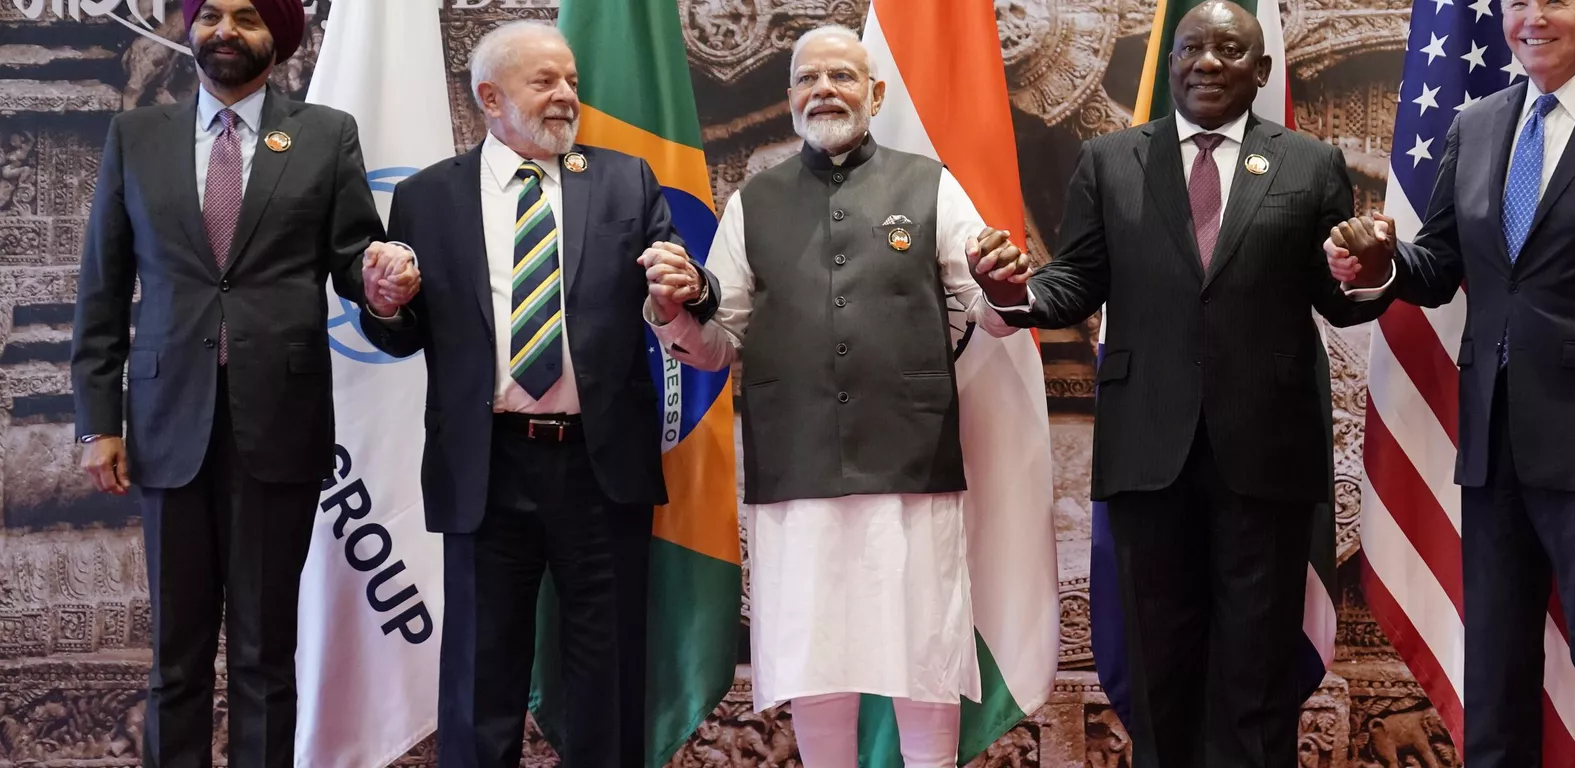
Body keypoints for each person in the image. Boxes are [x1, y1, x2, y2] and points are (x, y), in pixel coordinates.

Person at [968, 3, 1391, 766]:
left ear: (1261, 72)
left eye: (1229, 49)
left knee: (1257, 670)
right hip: (1147, 452)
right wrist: (1010, 291)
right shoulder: (1110, 160)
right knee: (1157, 664)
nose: (1205, 62)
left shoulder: (1308, 162)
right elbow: (1075, 281)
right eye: (1191, 48)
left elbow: (1336, 294)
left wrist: (1368, 271)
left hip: (1266, 451)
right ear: (1170, 65)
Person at [1324, 0, 1575, 762]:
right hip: (1492, 446)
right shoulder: (1476, 124)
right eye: (1519, 3)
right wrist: (1379, 266)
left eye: (1555, 1)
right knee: (1494, 671)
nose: (1534, 18)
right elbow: (1436, 266)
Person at [640, 25, 1027, 768]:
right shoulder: (754, 200)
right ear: (789, 99)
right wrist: (674, 313)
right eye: (809, 78)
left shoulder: (930, 183)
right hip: (797, 464)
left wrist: (1007, 295)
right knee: (815, 660)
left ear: (876, 94)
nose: (825, 89)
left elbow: (988, 308)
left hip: (909, 462)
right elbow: (720, 340)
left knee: (924, 654)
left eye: (843, 76)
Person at [357, 20, 713, 768]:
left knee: (608, 680)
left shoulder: (624, 179)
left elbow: (679, 291)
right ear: (490, 96)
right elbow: (402, 332)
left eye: (571, 82)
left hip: (598, 465)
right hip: (487, 468)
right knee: (481, 684)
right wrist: (385, 303)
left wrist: (686, 289)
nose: (566, 97)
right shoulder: (428, 197)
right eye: (544, 82)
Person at [69, 0, 411, 765]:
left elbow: (354, 256)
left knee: (263, 654)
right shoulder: (136, 138)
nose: (226, 30)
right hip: (165, 424)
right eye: (211, 14)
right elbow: (102, 290)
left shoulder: (326, 136)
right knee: (176, 659)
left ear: (279, 38)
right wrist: (98, 422)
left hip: (279, 425)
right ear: (189, 30)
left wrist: (382, 285)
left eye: (248, 17)